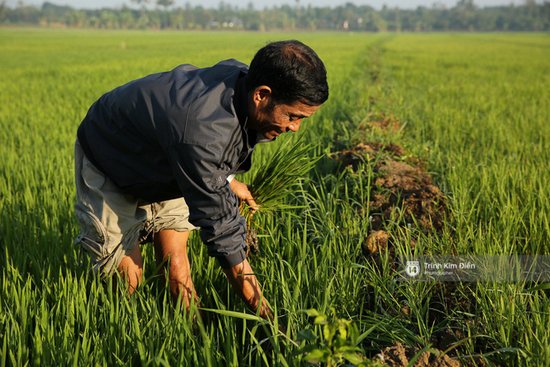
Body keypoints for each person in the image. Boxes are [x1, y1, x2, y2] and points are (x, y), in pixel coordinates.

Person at [74, 40, 329, 320]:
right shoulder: (199, 133)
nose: (295, 127)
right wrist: (267, 315)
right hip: (111, 154)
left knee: (176, 265)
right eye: (293, 116)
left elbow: (215, 148)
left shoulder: (243, 85)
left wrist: (228, 180)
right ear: (262, 95)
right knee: (129, 280)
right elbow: (223, 233)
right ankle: (127, 333)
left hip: (169, 158)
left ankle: (192, 332)